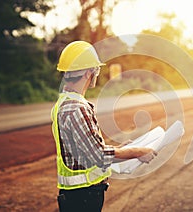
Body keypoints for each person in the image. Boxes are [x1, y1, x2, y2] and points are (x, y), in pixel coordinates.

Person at [51, 41, 157, 212]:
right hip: (83, 197)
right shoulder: (78, 109)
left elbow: (87, 151)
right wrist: (137, 152)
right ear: (88, 73)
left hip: (76, 196)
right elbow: (98, 155)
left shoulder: (64, 103)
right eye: (96, 70)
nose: (97, 74)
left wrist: (119, 150)